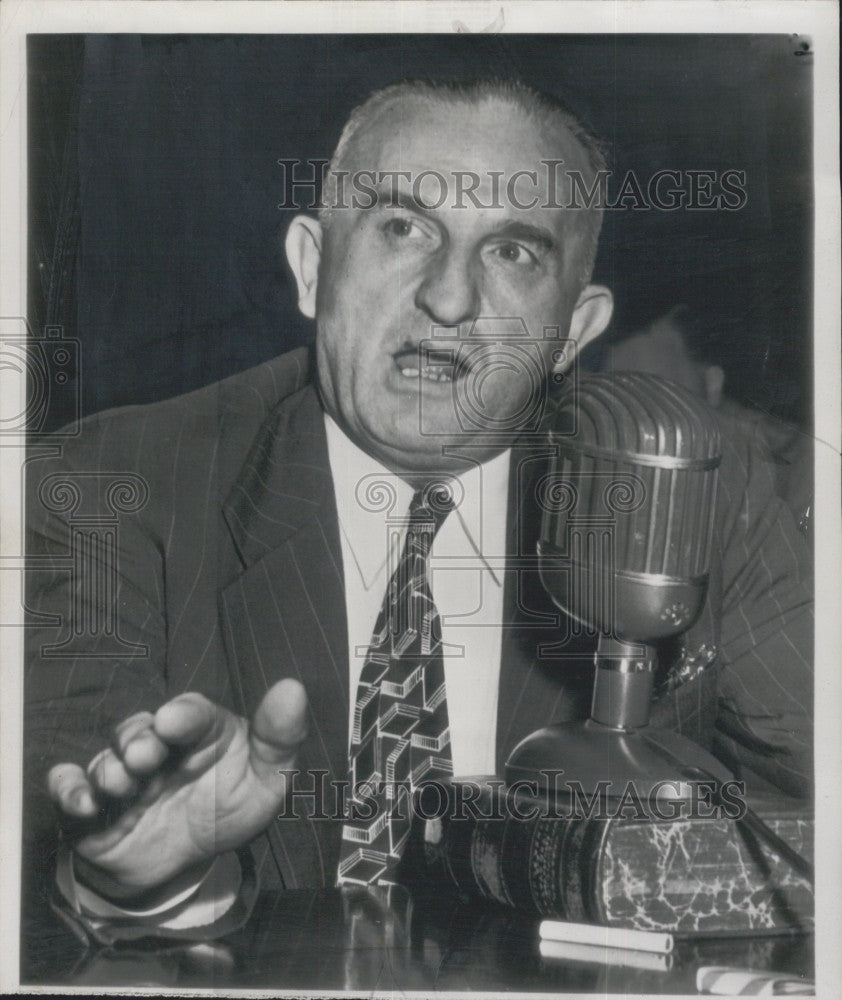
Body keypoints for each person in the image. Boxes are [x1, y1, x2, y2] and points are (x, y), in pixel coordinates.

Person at [24, 80, 813, 939]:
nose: (449, 300)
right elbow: (43, 824)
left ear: (573, 332)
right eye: (403, 228)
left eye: (513, 253)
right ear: (312, 266)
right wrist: (140, 880)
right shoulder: (110, 484)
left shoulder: (701, 492)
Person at [603, 303, 814, 534]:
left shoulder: (803, 469)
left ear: (712, 384)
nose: (643, 429)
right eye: (622, 407)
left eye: (661, 403)